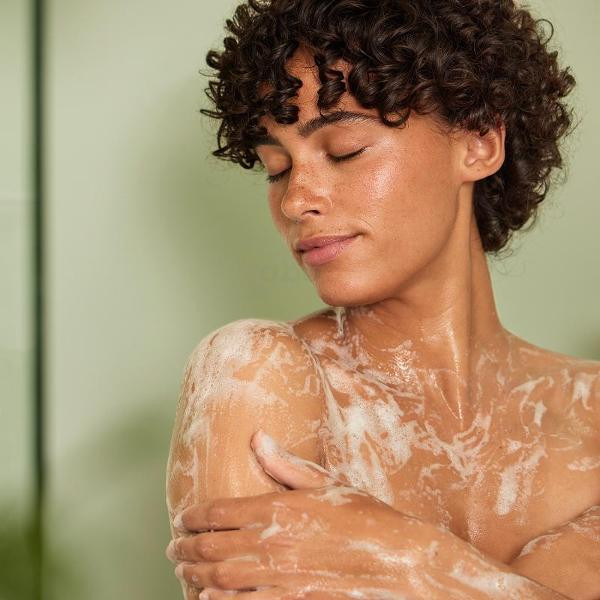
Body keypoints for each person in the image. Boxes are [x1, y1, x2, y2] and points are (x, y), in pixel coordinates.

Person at [165, 0, 600, 598]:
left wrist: (417, 561)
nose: (295, 201)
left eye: (344, 150)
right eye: (276, 167)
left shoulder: (593, 414)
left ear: (478, 142)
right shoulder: (259, 375)